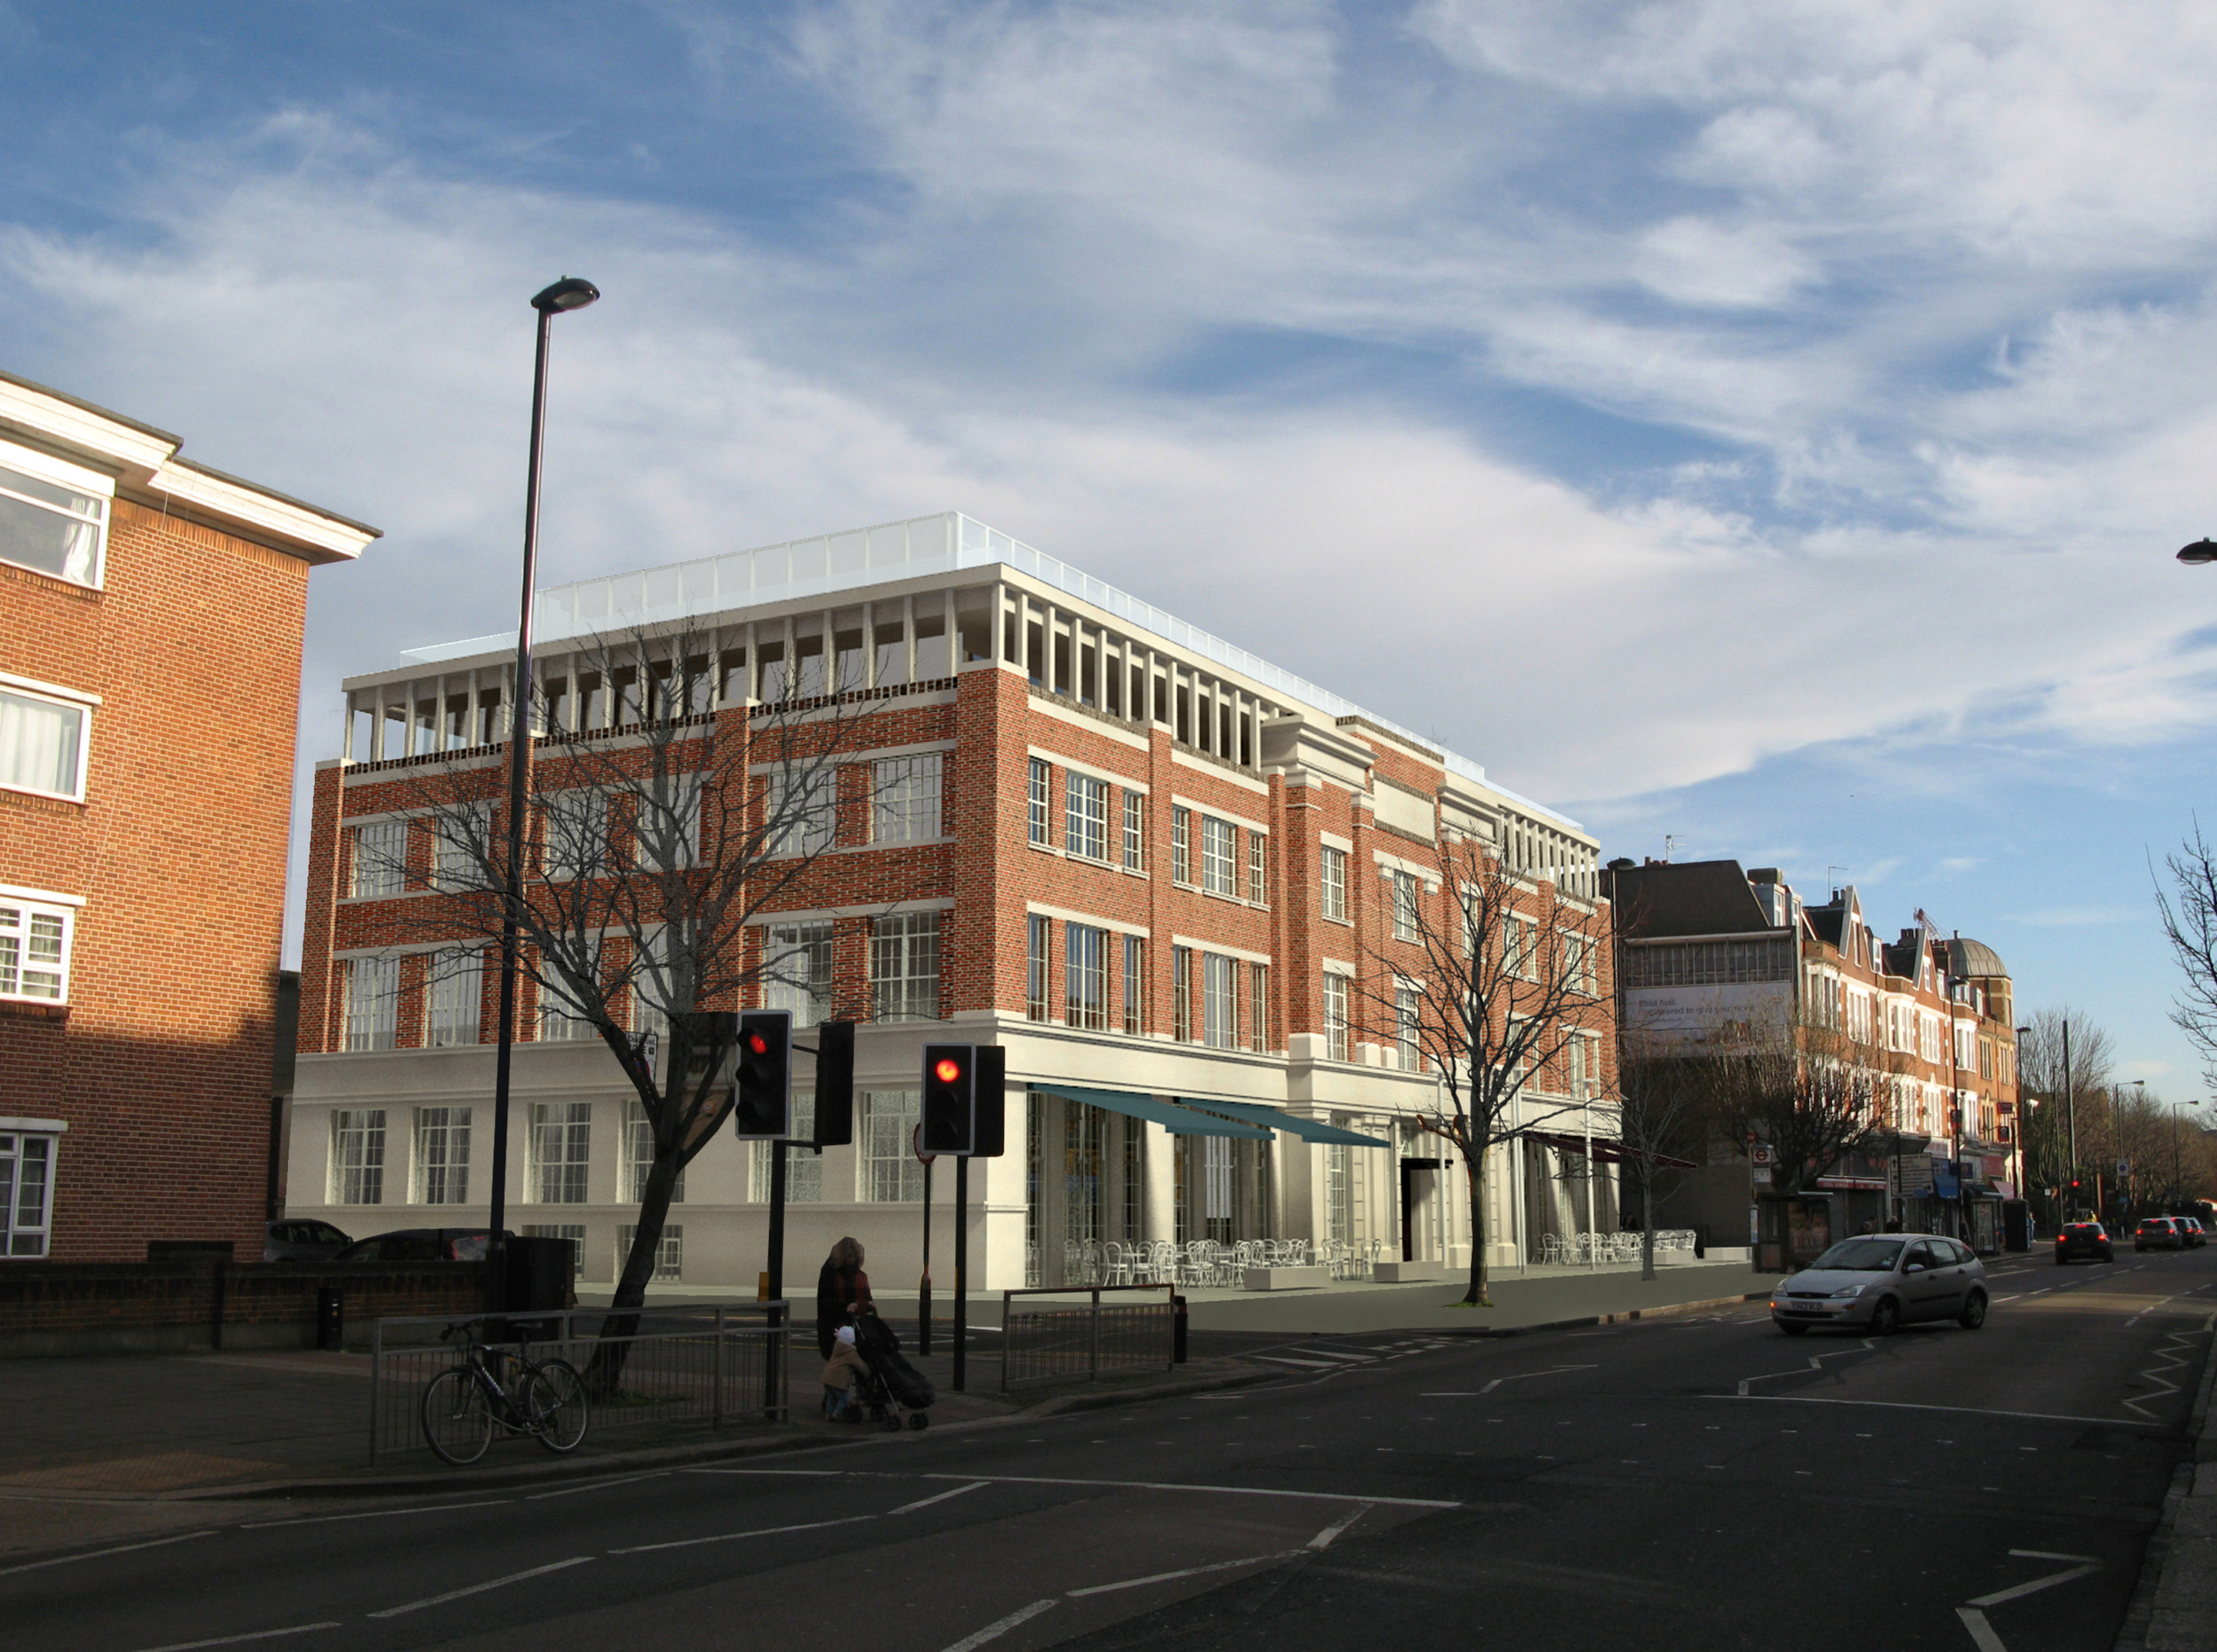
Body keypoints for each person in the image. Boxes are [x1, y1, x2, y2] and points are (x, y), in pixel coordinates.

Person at [817, 1235, 873, 1358]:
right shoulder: (831, 1273)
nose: (852, 1260)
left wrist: (869, 1304)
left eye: (854, 1256)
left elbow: (867, 1296)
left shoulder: (859, 1275)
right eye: (849, 1256)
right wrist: (844, 1308)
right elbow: (825, 1301)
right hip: (836, 1325)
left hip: (852, 1324)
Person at [821, 1324, 868, 1422]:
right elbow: (860, 1366)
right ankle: (837, 1413)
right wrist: (869, 1372)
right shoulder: (851, 1352)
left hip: (827, 1377)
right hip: (838, 1379)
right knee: (843, 1398)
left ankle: (828, 1414)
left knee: (831, 1397)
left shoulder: (837, 1347)